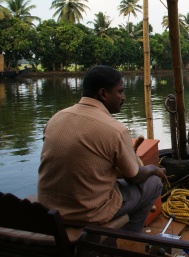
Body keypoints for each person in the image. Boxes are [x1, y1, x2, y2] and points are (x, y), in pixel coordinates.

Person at [38, 65, 167, 233]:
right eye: (120, 92)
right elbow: (133, 178)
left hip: (48, 209)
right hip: (87, 213)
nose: (123, 97)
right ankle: (132, 237)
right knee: (154, 183)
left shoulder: (56, 118)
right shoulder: (115, 130)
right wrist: (152, 169)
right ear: (103, 93)